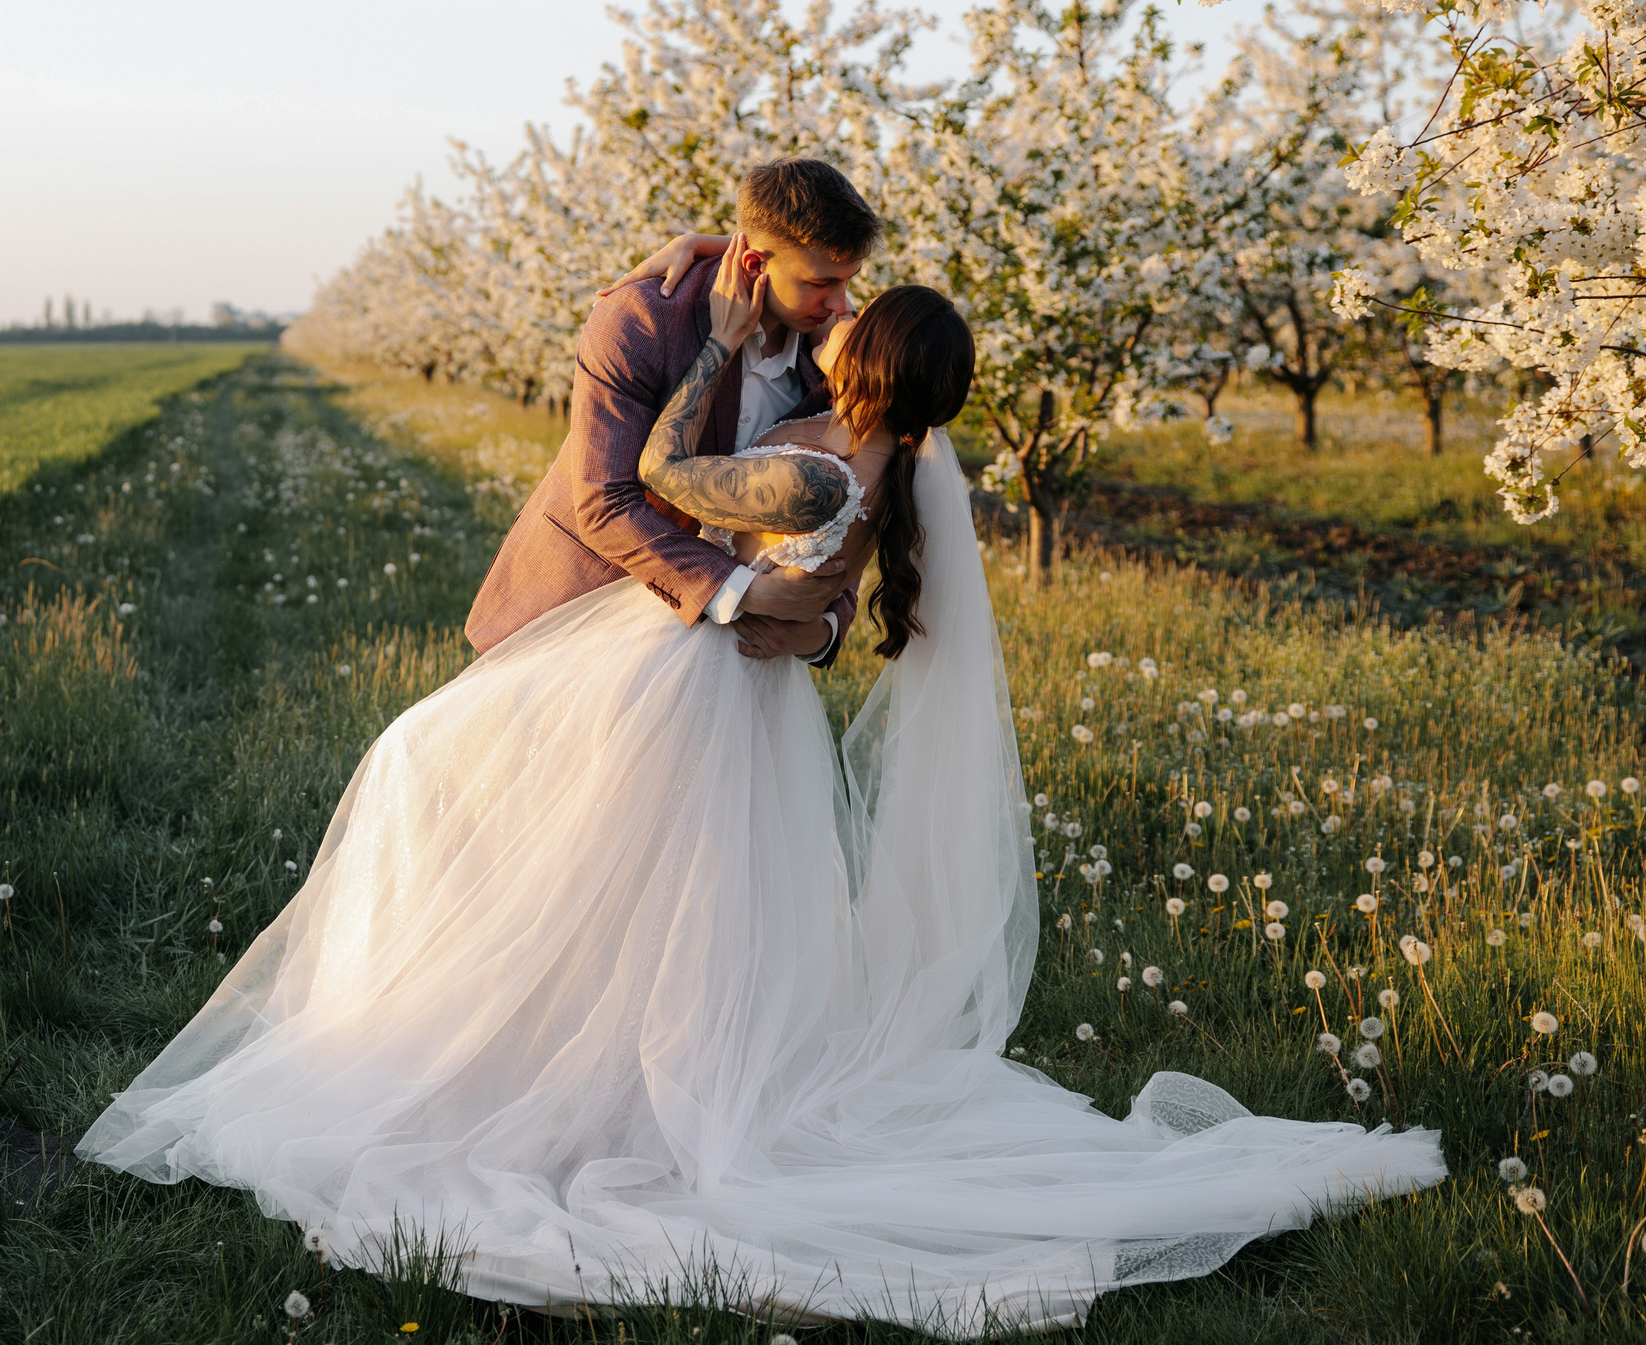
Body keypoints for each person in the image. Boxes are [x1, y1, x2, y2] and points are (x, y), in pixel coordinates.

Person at [73, 251, 1447, 1336]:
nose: (832, 325)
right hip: (755, 707)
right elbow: (820, 599)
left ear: (872, 359)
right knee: (685, 902)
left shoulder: (810, 464)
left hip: (683, 688)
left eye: (854, 318)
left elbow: (657, 474)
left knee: (456, 784)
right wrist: (810, 609)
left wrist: (720, 345)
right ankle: (621, 1058)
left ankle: (564, 1078)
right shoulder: (889, 465)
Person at [464, 157, 874, 665]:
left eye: (849, 280)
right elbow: (605, 502)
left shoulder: (834, 360)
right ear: (753, 265)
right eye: (821, 283)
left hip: (736, 658)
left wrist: (820, 633)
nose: (841, 304)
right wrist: (743, 591)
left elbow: (853, 509)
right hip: (584, 613)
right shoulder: (641, 319)